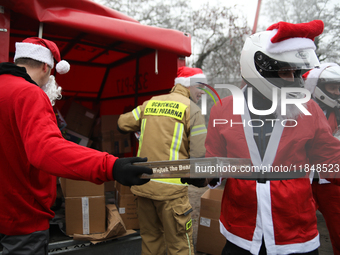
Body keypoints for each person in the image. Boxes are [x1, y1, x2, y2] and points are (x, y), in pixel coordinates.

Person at [0, 37, 152, 255]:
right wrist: (111, 166)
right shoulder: (28, 93)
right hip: (22, 218)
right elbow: (47, 150)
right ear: (46, 67)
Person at [203, 20, 340, 254]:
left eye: (298, 72)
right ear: (258, 68)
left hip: (295, 234)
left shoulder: (310, 110)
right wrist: (204, 174)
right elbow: (215, 162)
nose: (296, 81)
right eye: (286, 72)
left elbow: (332, 162)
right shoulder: (223, 110)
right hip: (241, 232)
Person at [117, 66, 208, 255]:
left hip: (143, 187)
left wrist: (143, 125)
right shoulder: (193, 110)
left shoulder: (150, 103)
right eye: (200, 86)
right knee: (180, 244)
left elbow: (122, 123)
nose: (202, 91)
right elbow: (199, 154)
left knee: (151, 241)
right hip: (171, 192)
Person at [303, 63, 340, 255]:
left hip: (330, 182)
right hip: (303, 180)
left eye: (338, 87)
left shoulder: (338, 112)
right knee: (300, 231)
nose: (336, 92)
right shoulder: (298, 109)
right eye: (332, 87)